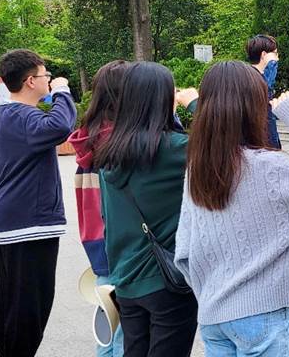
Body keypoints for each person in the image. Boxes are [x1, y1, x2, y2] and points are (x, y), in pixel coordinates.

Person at [174, 60, 289, 356]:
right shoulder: (269, 168)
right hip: (261, 314)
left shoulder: (196, 170)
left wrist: (209, 296)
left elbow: (183, 251)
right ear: (253, 108)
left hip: (212, 316)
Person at [96, 61, 199, 357]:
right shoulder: (177, 149)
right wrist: (195, 104)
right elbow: (230, 145)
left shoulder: (108, 153)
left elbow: (107, 216)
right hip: (166, 280)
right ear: (162, 100)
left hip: (125, 278)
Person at [0, 49, 77, 357]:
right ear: (30, 81)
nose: (49, 80)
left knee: (11, 304)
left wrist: (53, 96)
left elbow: (50, 122)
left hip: (12, 220)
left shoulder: (6, 115)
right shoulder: (24, 118)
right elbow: (60, 126)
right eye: (45, 75)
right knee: (30, 306)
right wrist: (62, 91)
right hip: (29, 223)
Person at [68, 60, 130, 357]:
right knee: (124, 331)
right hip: (122, 244)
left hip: (96, 241)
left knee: (108, 324)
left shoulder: (89, 136)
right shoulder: (119, 141)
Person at [246, 34, 282, 149]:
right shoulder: (251, 78)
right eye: (275, 53)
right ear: (264, 55)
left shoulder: (251, 75)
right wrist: (272, 64)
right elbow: (263, 91)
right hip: (260, 142)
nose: (277, 58)